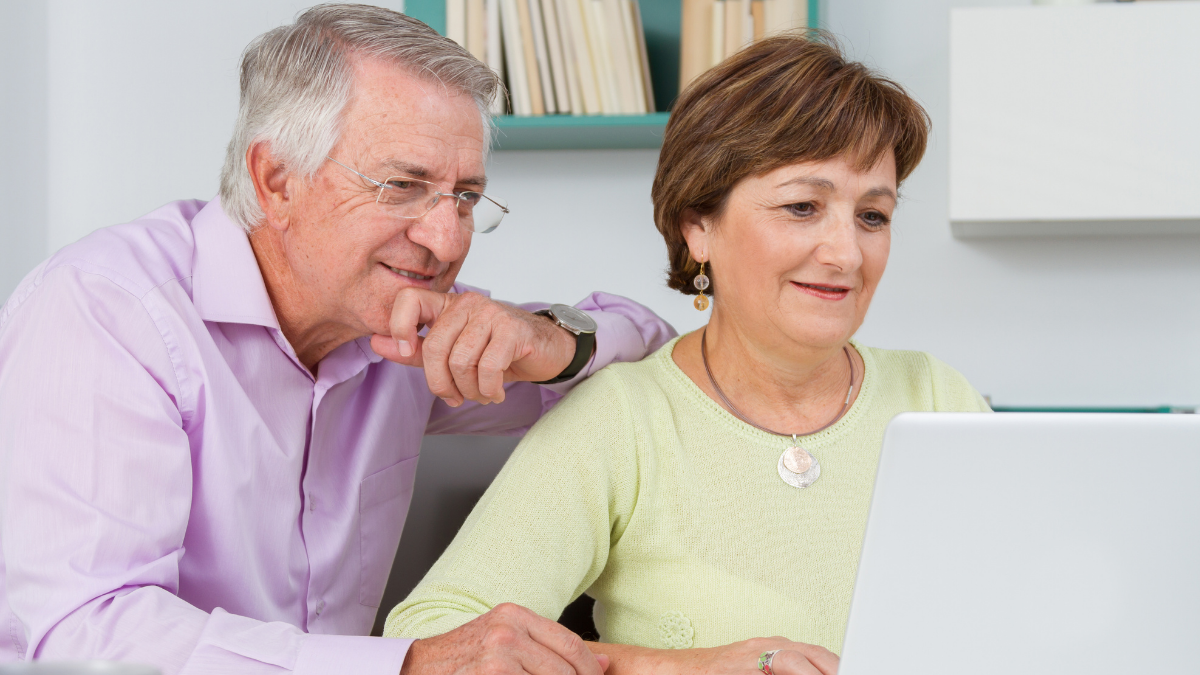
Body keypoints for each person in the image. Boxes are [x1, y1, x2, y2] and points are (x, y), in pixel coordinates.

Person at [0, 5, 674, 674]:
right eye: (403, 186)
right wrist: (409, 664)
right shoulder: (107, 311)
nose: (446, 241)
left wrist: (555, 342)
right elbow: (86, 635)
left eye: (466, 197)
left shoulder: (409, 325)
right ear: (277, 180)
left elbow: (656, 361)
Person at [384, 33, 991, 675]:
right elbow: (434, 633)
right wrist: (683, 666)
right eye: (802, 207)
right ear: (697, 226)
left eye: (873, 216)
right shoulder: (621, 420)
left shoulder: (935, 398)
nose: (847, 254)